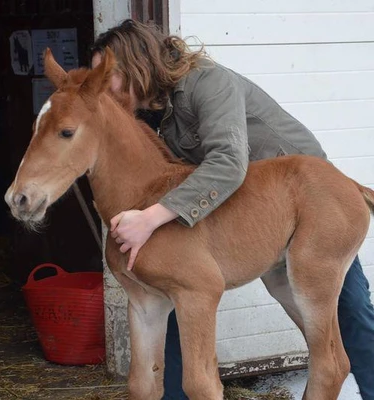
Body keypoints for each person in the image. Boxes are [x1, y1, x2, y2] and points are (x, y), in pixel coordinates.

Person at [90, 19, 374, 400]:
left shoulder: (207, 83)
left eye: (105, 75)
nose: (99, 88)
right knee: (174, 285)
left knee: (349, 310)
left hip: (299, 196)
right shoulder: (145, 113)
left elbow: (227, 162)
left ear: (135, 65)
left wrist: (151, 217)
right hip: (226, 203)